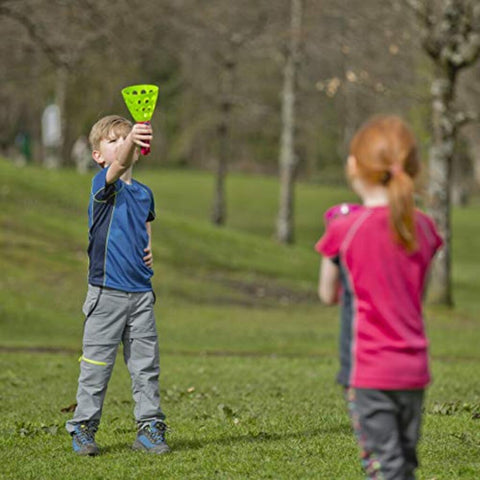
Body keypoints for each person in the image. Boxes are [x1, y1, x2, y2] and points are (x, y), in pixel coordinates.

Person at [315, 115, 443, 479]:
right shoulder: (424, 226)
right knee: (402, 464)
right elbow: (417, 287)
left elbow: (328, 294)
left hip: (370, 373)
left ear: (354, 166)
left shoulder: (344, 229)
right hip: (414, 371)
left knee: (385, 469)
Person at [66, 115, 169, 456]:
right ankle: (83, 428)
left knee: (145, 366)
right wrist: (131, 140)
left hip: (141, 296)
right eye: (113, 140)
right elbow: (121, 161)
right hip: (105, 294)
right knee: (96, 366)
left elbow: (145, 221)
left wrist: (149, 248)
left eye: (125, 138)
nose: (122, 144)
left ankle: (150, 428)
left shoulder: (144, 193)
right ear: (98, 155)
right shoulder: (102, 186)